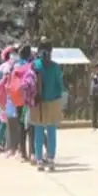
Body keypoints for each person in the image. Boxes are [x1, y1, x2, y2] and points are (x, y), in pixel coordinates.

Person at [32, 38, 64, 172]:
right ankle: (50, 159)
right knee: (51, 131)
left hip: (37, 102)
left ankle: (39, 160)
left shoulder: (35, 64)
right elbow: (60, 86)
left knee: (38, 131)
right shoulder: (55, 66)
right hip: (52, 101)